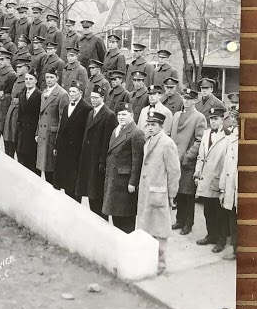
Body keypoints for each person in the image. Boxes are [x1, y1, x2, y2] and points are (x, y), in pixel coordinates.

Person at [137, 107, 180, 276]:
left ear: (161, 126)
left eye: (154, 124)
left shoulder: (167, 143)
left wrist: (172, 195)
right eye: (148, 124)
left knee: (160, 232)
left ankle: (161, 266)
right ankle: (147, 263)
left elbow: (174, 171)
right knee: (146, 230)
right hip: (147, 192)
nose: (150, 127)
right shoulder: (149, 141)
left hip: (159, 194)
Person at [170, 87, 207, 236]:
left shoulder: (199, 117)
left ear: (195, 101)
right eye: (184, 98)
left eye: (189, 99)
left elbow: (200, 140)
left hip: (187, 162)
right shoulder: (177, 115)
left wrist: (188, 155)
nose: (186, 101)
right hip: (174, 160)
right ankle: (179, 220)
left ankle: (188, 223)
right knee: (178, 192)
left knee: (187, 194)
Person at [194, 106, 232, 251]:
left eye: (216, 119)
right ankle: (211, 235)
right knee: (207, 210)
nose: (213, 122)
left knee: (220, 212)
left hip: (218, 179)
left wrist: (223, 183)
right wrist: (197, 173)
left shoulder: (228, 137)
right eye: (211, 119)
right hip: (205, 178)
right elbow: (200, 156)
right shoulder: (206, 134)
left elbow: (227, 161)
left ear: (222, 119)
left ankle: (221, 240)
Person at [104, 106, 145, 234]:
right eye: (119, 114)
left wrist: (133, 182)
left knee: (125, 217)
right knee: (116, 216)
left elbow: (137, 160)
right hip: (114, 178)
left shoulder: (136, 132)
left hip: (125, 182)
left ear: (132, 115)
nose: (121, 117)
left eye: (124, 114)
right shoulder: (116, 130)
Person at [77, 88, 117, 218]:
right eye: (91, 97)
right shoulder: (91, 113)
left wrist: (102, 161)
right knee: (90, 194)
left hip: (98, 161)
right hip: (89, 158)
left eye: (96, 97)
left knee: (97, 195)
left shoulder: (108, 115)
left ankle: (101, 223)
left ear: (102, 98)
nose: (92, 100)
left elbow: (108, 141)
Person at [53, 81, 91, 199]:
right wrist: (56, 145)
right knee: (62, 180)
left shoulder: (86, 108)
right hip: (63, 148)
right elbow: (62, 127)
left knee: (73, 183)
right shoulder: (66, 107)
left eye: (74, 92)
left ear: (80, 93)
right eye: (70, 92)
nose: (71, 94)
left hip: (75, 150)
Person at [35, 68, 64, 186]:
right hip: (43, 134)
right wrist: (37, 132)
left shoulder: (61, 94)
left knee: (50, 170)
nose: (49, 80)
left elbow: (62, 119)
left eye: (52, 77)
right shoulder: (44, 93)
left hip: (52, 136)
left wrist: (58, 139)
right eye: (47, 77)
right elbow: (41, 115)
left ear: (57, 78)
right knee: (43, 167)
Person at [219, 112, 238, 260]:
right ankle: (235, 251)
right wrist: (223, 188)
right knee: (232, 215)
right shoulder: (232, 139)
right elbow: (226, 165)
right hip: (232, 186)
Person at [15, 70, 41, 173]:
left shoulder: (39, 95)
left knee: (33, 164)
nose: (28, 81)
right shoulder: (22, 94)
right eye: (26, 79)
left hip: (32, 134)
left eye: (31, 79)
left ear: (36, 81)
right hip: (22, 133)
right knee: (23, 162)